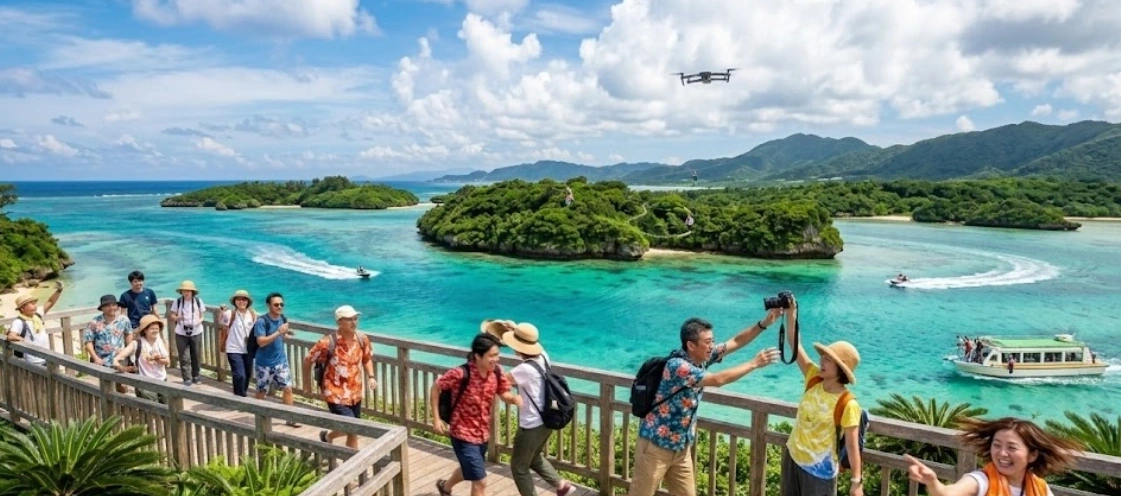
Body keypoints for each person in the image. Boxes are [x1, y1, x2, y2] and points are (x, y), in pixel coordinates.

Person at [628, 311, 784, 496]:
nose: (712, 346)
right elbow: (717, 380)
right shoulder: (678, 367)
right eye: (708, 342)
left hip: (681, 448)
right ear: (691, 345)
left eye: (712, 341)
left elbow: (735, 342)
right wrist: (754, 363)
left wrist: (763, 323)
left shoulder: (700, 359)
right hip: (655, 447)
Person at [780, 294, 865, 496]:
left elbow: (853, 446)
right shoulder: (813, 378)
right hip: (793, 458)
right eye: (823, 357)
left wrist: (856, 481)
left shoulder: (848, 403)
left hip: (820, 472)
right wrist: (792, 314)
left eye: (828, 360)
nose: (821, 362)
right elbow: (794, 345)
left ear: (841, 370)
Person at [483, 320, 574, 496]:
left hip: (531, 425)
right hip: (548, 420)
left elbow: (501, 381)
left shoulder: (524, 370)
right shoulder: (543, 357)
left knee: (518, 467)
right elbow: (527, 340)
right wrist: (514, 328)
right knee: (533, 457)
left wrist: (491, 360)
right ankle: (562, 486)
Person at [432, 333, 522, 496]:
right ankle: (446, 487)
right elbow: (436, 387)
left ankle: (445, 487)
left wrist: (514, 399)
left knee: (470, 469)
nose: (496, 359)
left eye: (497, 355)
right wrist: (437, 418)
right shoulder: (460, 373)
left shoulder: (497, 372)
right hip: (462, 435)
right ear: (477, 356)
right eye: (492, 356)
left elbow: (504, 393)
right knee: (480, 481)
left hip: (482, 435)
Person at [904, 417, 1082, 496]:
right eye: (996, 445)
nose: (1002, 453)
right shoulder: (981, 481)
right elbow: (949, 493)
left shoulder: (1040, 489)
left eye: (1011, 447)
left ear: (1032, 455)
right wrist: (933, 483)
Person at [303, 305, 377, 449]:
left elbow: (367, 358)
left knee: (352, 429)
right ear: (339, 322)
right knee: (352, 427)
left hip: (355, 392)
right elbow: (308, 360)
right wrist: (307, 385)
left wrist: (371, 376)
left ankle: (327, 437)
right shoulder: (327, 342)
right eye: (349, 319)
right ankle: (354, 463)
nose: (354, 322)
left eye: (355, 319)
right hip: (335, 393)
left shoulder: (362, 339)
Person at [253, 292, 300, 427]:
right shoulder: (261, 322)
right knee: (261, 391)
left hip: (281, 362)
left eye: (281, 304)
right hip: (264, 364)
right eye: (276, 304)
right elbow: (261, 342)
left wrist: (286, 334)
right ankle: (260, 419)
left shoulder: (283, 319)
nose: (279, 307)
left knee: (288, 389)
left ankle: (290, 418)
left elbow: (281, 336)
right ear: (269, 305)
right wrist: (279, 332)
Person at [114, 314, 171, 403]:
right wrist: (124, 368)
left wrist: (157, 359)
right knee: (151, 410)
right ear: (145, 330)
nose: (155, 331)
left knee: (167, 409)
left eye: (157, 328)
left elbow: (167, 361)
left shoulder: (160, 342)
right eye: (152, 329)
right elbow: (116, 360)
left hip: (162, 379)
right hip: (145, 382)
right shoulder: (136, 344)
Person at [82, 294, 133, 393]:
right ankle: (109, 408)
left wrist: (128, 350)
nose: (112, 308)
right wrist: (95, 358)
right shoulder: (94, 322)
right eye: (108, 305)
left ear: (117, 307)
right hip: (102, 360)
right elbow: (88, 341)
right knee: (106, 388)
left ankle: (122, 406)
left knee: (122, 385)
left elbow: (129, 333)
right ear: (102, 308)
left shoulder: (124, 320)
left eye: (114, 305)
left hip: (120, 358)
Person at [5, 282, 63, 365]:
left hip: (46, 356)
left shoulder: (37, 315)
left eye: (34, 303)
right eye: (32, 304)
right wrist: (21, 339)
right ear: (22, 308)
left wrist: (59, 291)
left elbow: (50, 302)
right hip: (33, 361)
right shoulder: (19, 322)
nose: (35, 305)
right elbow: (11, 336)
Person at [219, 290, 257, 397]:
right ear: (234, 301)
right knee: (240, 375)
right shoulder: (230, 313)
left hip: (248, 349)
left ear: (248, 301)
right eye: (238, 299)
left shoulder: (253, 314)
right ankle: (241, 396)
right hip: (233, 348)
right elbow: (220, 323)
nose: (241, 301)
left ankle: (239, 394)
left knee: (247, 375)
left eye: (244, 299)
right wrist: (221, 312)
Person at [169, 280, 206, 386]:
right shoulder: (178, 301)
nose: (186, 292)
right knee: (184, 357)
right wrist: (177, 317)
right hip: (181, 332)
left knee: (196, 355)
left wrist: (198, 322)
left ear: (192, 292)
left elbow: (202, 315)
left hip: (196, 331)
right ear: (181, 291)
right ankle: (186, 378)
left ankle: (196, 376)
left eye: (188, 290)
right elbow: (171, 315)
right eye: (184, 290)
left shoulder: (198, 301)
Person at [119, 271, 160, 336]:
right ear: (131, 282)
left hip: (148, 323)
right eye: (135, 281)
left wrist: (158, 321)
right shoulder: (125, 296)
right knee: (137, 344)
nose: (138, 283)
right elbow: (123, 314)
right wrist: (127, 328)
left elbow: (155, 309)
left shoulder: (150, 292)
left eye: (140, 281)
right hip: (134, 325)